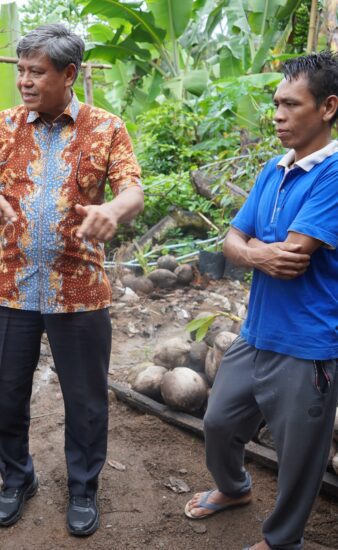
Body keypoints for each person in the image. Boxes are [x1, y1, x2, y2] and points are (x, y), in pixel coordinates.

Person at [0, 24, 144, 536]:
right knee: (7, 395)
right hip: (8, 289)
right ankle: (16, 479)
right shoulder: (0, 125)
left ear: (69, 73)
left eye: (37, 72)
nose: (24, 81)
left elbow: (133, 191)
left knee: (84, 399)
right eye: (21, 71)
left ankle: (83, 486)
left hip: (80, 292)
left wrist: (113, 210)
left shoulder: (107, 128)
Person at [184, 52, 338, 550]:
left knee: (299, 457)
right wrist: (256, 251)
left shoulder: (333, 175)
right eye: (275, 103)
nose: (277, 115)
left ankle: (282, 540)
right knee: (219, 420)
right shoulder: (275, 169)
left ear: (328, 107)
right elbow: (231, 240)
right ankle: (235, 488)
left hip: (308, 342)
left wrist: (250, 249)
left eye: (291, 104)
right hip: (258, 331)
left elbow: (294, 254)